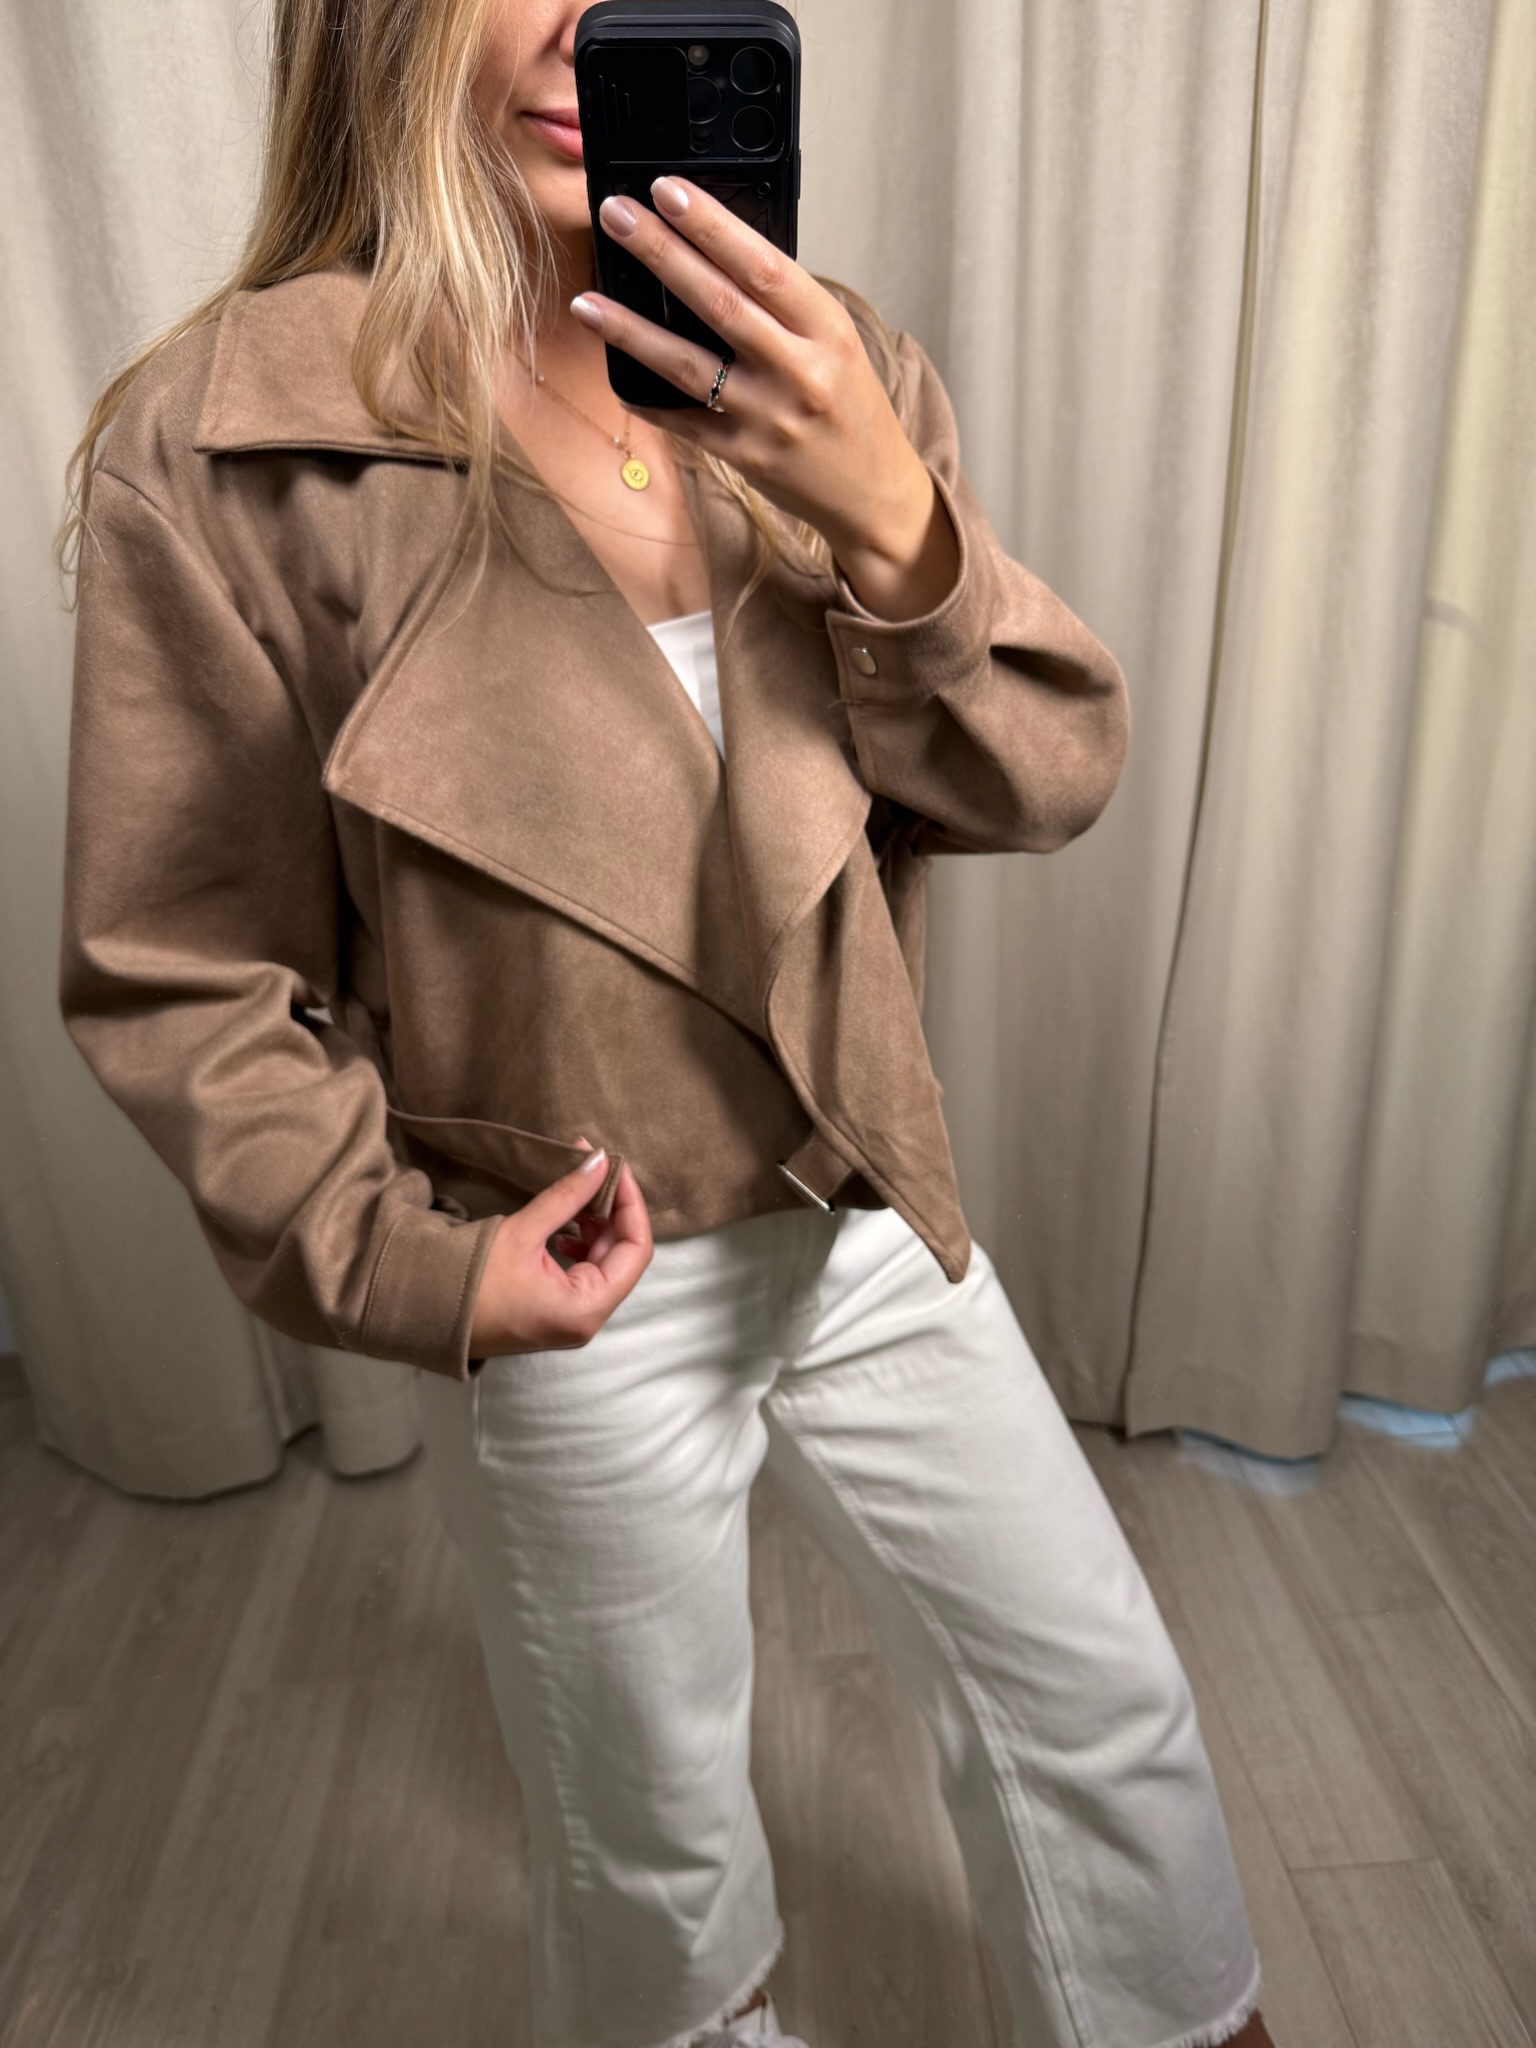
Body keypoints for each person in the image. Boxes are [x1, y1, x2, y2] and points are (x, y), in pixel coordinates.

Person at [57, 3, 1276, 2045]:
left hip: (854, 1186)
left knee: (1102, 1712)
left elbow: (1034, 780)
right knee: (658, 1851)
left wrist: (893, 523)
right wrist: (410, 1262)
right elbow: (180, 961)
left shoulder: (820, 357)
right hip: (571, 1256)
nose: (580, 21)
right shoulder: (237, 438)